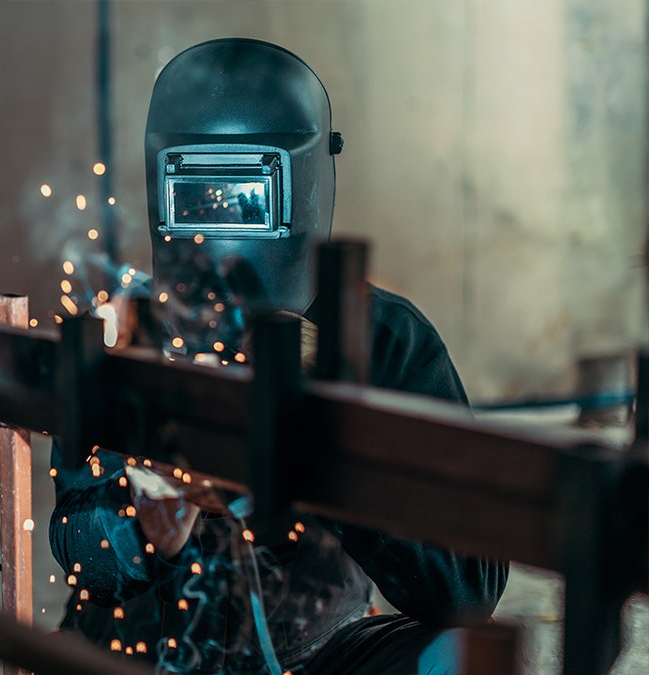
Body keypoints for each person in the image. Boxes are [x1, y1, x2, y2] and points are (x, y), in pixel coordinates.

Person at [48, 38, 507, 674]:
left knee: (455, 657)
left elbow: (467, 590)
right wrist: (150, 528)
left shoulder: (385, 340)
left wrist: (335, 446)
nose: (225, 225)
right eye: (202, 198)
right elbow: (78, 550)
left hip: (322, 652)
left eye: (246, 199)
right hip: (153, 656)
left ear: (305, 184)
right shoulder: (124, 334)